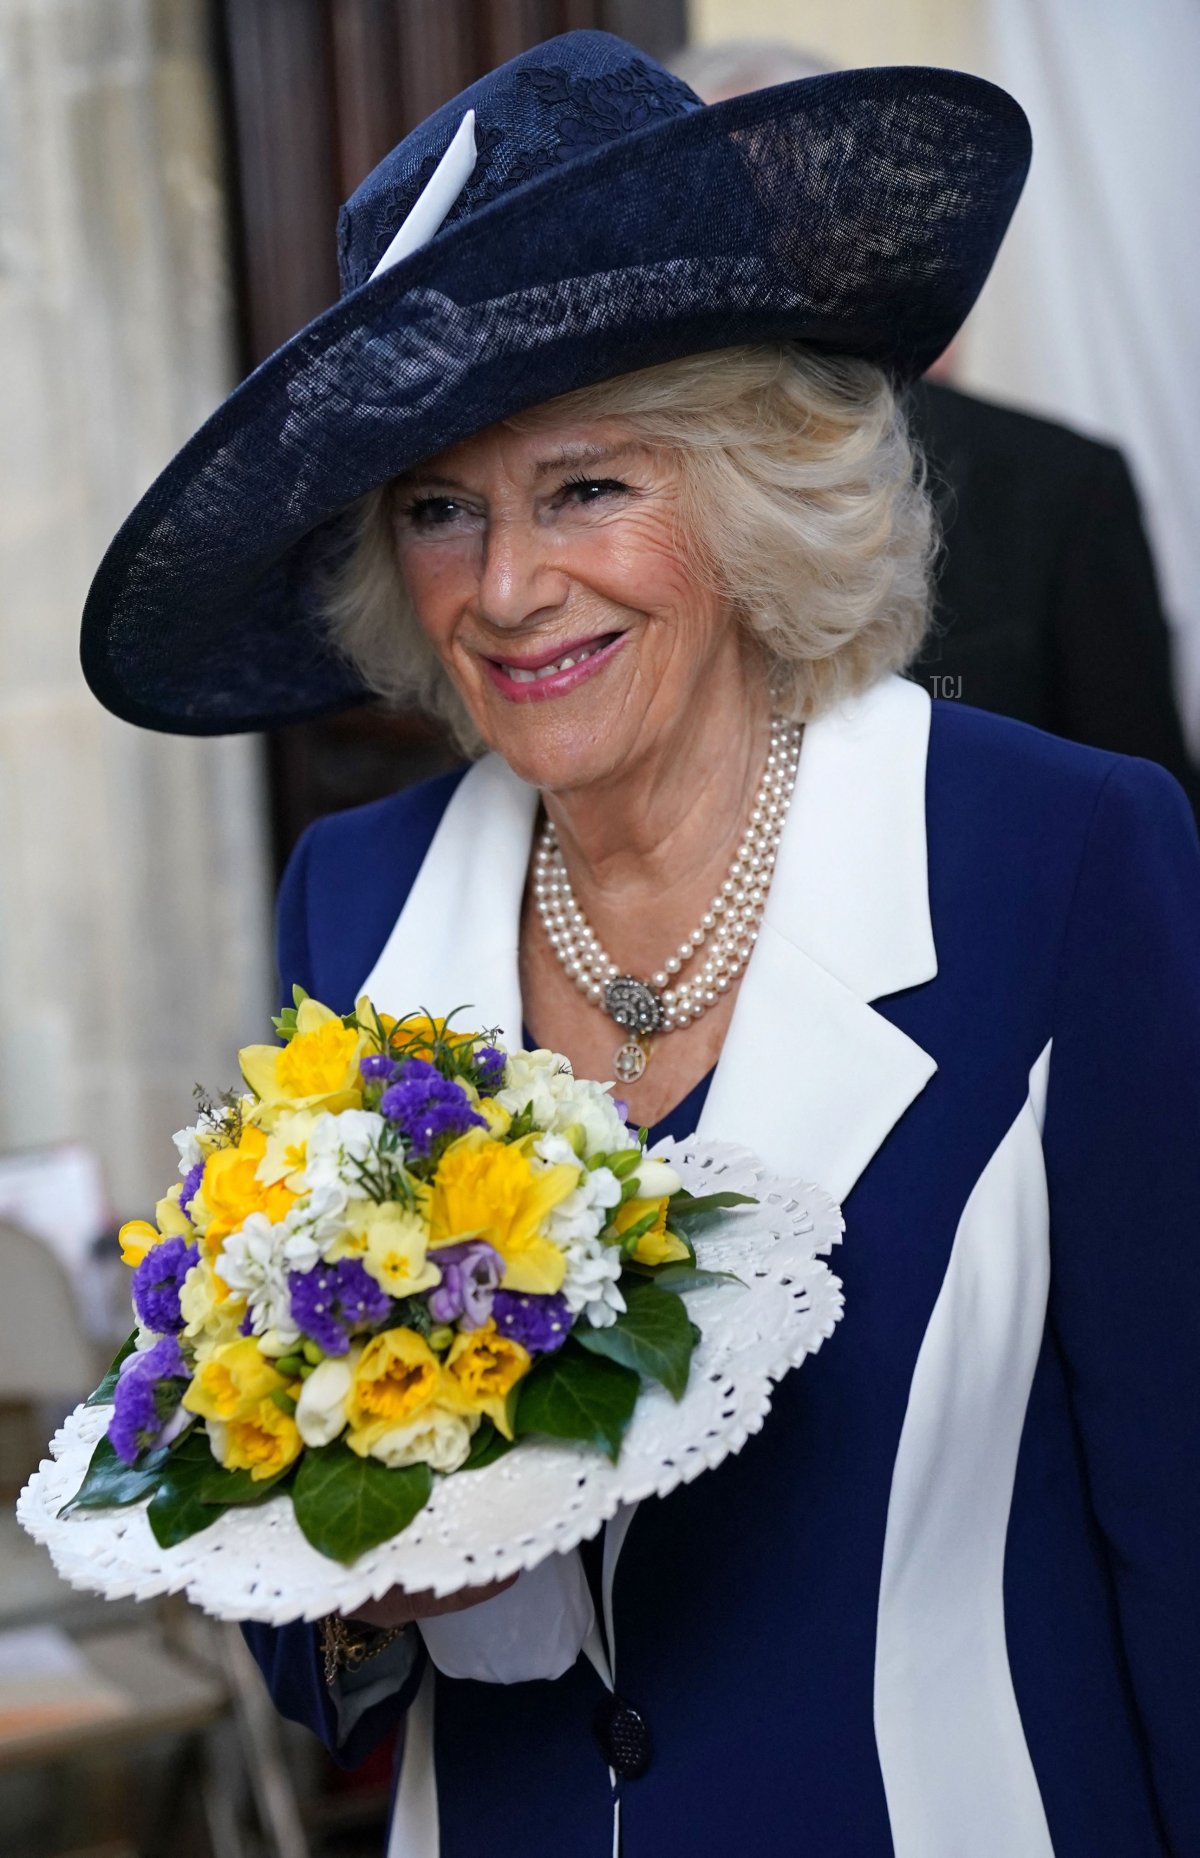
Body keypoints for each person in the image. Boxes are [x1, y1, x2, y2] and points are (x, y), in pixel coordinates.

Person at [79, 31, 1200, 1858]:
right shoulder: (356, 904)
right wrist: (365, 1589)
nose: (506, 587)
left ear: (755, 489)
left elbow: (1184, 1514)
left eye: (586, 485)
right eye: (440, 507)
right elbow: (297, 1589)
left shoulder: (1052, 855)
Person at [673, 39, 1200, 810]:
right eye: (709, 214)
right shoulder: (618, 484)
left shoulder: (1058, 488)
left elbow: (1144, 812)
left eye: (780, 205)